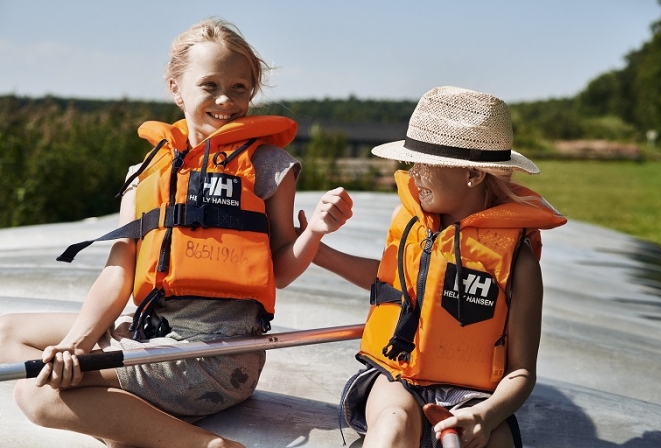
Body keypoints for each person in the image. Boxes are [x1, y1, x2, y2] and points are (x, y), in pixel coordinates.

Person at [0, 18, 353, 448]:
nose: (226, 100)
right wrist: (76, 344)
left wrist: (315, 231)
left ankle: (202, 444)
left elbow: (278, 271)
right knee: (6, 333)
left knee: (35, 395)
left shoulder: (269, 165)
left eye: (240, 87)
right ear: (176, 88)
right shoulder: (146, 171)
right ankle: (124, 415)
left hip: (215, 358)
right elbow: (118, 273)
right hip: (152, 332)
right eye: (210, 85)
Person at [302, 86, 567, 448]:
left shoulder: (518, 262)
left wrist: (485, 417)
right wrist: (318, 250)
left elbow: (521, 372)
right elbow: (394, 286)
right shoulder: (414, 226)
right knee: (393, 426)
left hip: (474, 397)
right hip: (400, 379)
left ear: (472, 176)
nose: (413, 173)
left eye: (424, 163)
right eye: (412, 162)